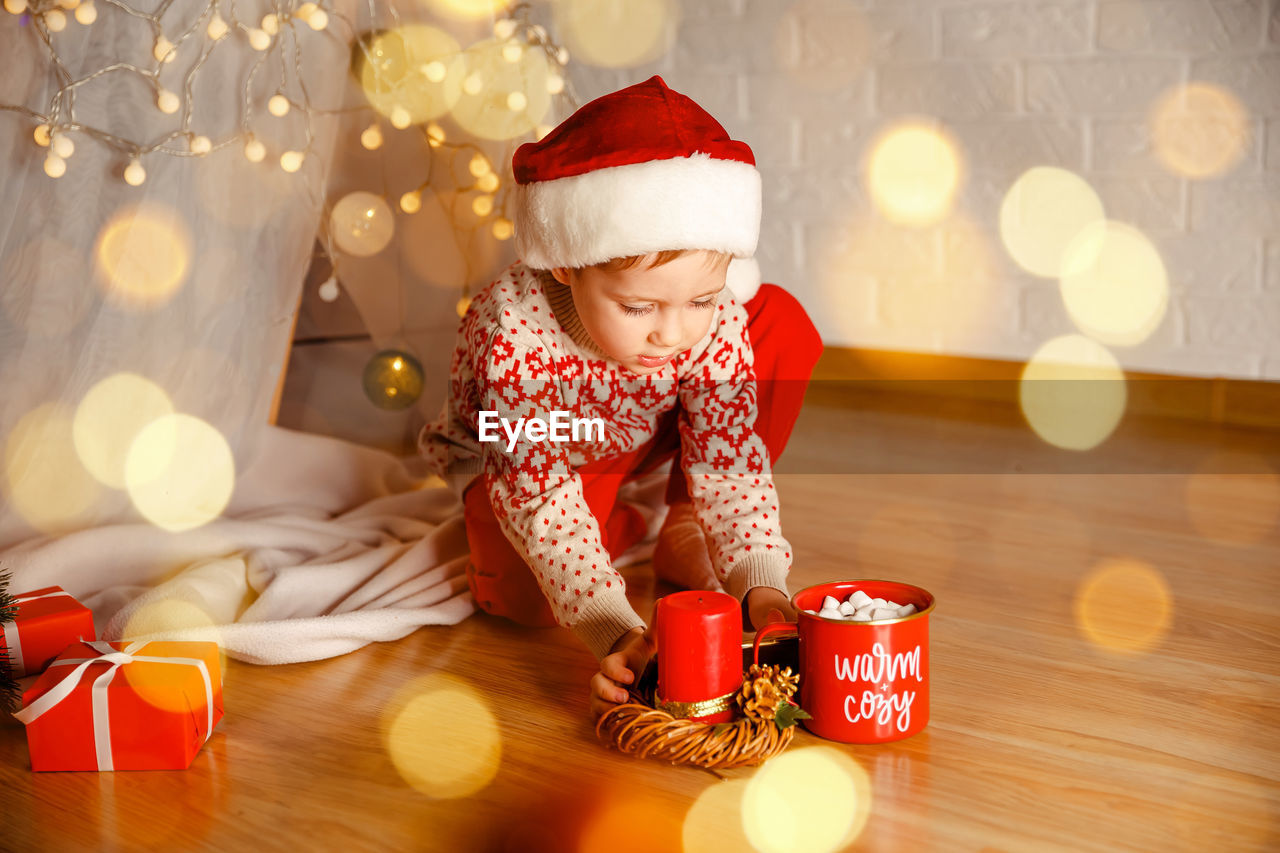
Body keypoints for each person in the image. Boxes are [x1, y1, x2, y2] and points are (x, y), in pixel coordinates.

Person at [419, 76, 822, 718]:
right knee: (528, 600)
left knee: (777, 321)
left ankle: (681, 520)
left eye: (701, 298)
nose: (673, 332)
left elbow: (730, 455)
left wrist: (760, 583)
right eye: (638, 306)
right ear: (566, 263)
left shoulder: (705, 320)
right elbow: (539, 491)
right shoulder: (515, 331)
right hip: (530, 455)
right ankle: (615, 524)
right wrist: (614, 628)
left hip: (637, 425)